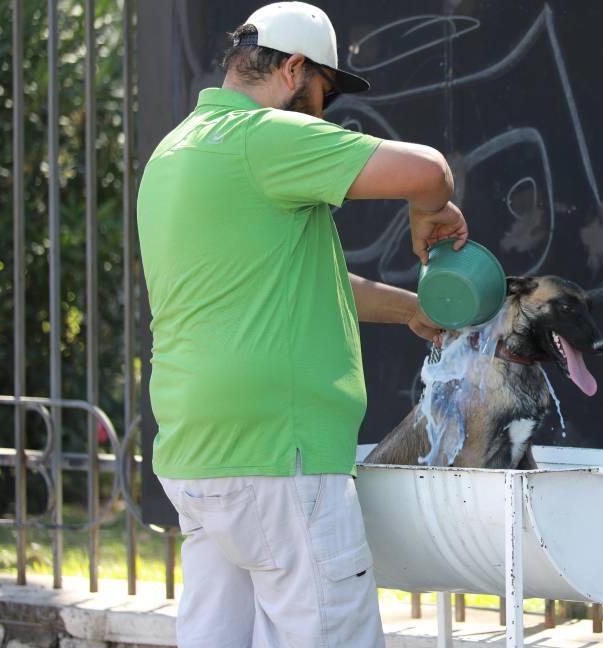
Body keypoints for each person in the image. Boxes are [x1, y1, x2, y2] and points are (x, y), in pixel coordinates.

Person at [136, 3, 469, 646]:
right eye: (323, 95)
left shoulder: (175, 152)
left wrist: (408, 309)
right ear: (292, 69)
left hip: (198, 458)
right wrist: (428, 212)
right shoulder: (262, 138)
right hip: (278, 459)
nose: (325, 116)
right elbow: (430, 172)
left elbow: (300, 281)